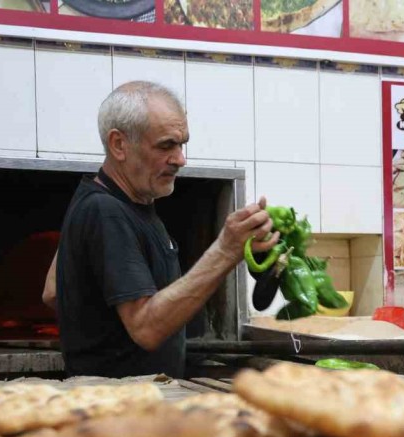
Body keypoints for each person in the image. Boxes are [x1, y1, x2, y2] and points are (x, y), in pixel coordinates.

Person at [46, 81, 278, 378]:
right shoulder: (106, 211)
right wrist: (226, 250)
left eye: (182, 144)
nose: (180, 159)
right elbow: (146, 329)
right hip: (120, 401)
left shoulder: (110, 201)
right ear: (119, 144)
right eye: (166, 145)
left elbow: (53, 290)